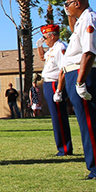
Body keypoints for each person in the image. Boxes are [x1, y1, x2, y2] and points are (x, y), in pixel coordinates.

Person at [57, 0, 96, 180]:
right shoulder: (81, 21)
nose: (65, 8)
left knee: (90, 124)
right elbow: (75, 33)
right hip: (78, 74)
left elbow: (89, 53)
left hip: (84, 74)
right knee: (86, 124)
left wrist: (80, 81)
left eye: (67, 4)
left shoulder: (90, 19)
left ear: (77, 3)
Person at [37, 23, 72, 156]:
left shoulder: (60, 48)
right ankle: (61, 146)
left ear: (52, 36)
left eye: (45, 38)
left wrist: (59, 90)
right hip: (48, 83)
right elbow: (42, 58)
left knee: (59, 116)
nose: (44, 40)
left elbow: (63, 70)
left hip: (55, 84)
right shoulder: (52, 49)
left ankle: (65, 148)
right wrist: (39, 46)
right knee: (55, 116)